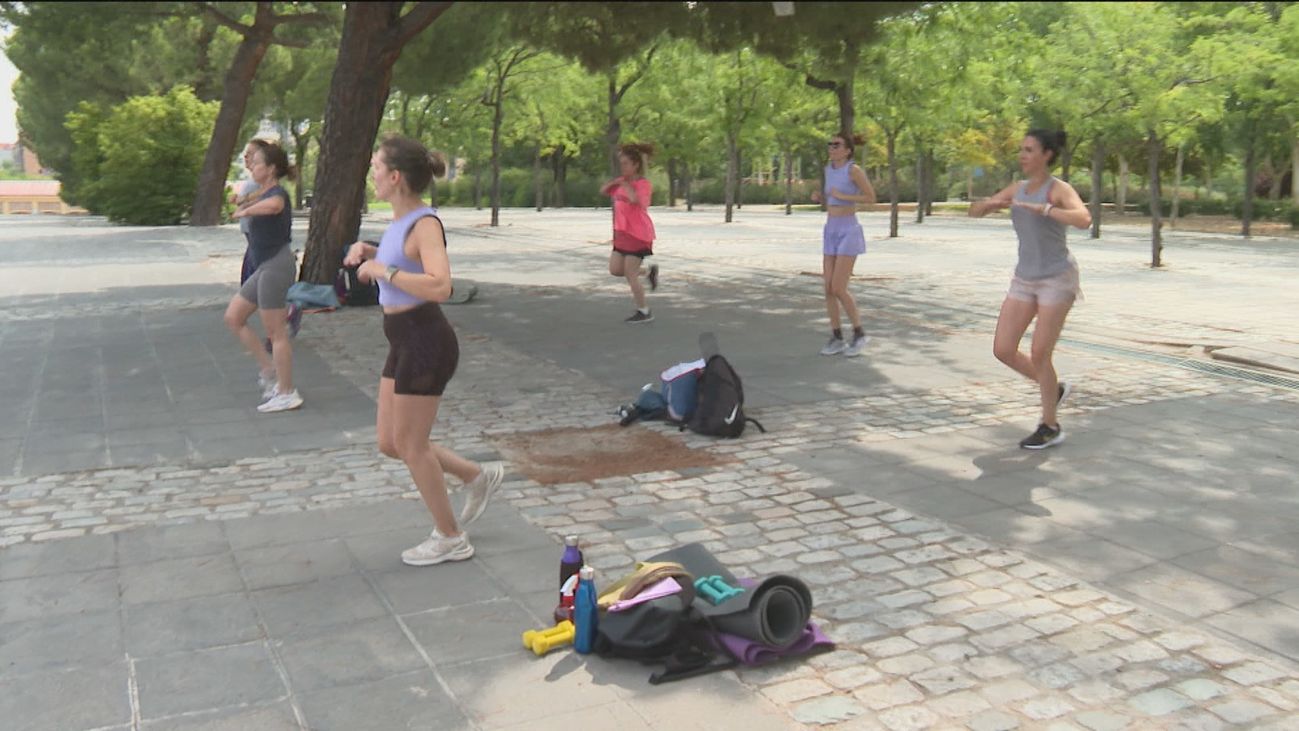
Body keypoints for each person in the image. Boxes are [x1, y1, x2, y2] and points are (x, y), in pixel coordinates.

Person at [343, 135, 504, 566]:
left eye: (376, 167)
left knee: (411, 444)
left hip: (426, 339)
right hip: (401, 338)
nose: (371, 173)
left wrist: (384, 269)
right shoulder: (398, 222)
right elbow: (402, 261)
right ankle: (476, 474)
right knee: (389, 442)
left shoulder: (425, 224)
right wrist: (371, 253)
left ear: (395, 177)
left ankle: (450, 537)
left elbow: (440, 284)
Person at [968, 129, 1091, 449]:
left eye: (1029, 150)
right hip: (1024, 277)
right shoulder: (1019, 188)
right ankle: (1053, 388)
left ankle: (1050, 425)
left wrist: (1047, 210)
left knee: (1039, 353)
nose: (1022, 155)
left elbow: (1083, 218)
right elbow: (978, 209)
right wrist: (986, 205)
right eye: (1021, 150)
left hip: (1057, 278)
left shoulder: (1058, 189)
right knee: (1003, 349)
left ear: (1046, 155)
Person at [225, 142, 303, 413]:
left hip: (277, 266)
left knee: (276, 332)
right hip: (264, 267)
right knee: (234, 317)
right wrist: (241, 199)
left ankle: (286, 391)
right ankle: (268, 369)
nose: (252, 165)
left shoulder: (277, 193)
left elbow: (274, 206)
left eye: (257, 162)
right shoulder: (260, 192)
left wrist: (246, 211)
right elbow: (250, 197)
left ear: (270, 169)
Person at [810, 132, 876, 357]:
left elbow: (870, 197)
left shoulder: (853, 170)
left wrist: (844, 197)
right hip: (831, 228)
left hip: (849, 229)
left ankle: (860, 334)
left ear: (847, 150)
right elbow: (832, 198)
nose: (832, 148)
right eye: (830, 144)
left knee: (839, 287)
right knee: (828, 288)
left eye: (836, 145)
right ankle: (836, 337)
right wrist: (822, 198)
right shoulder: (829, 170)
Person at [601, 142, 659, 323]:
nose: (623, 167)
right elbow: (603, 191)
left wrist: (627, 186)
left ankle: (644, 311)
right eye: (621, 163)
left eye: (626, 163)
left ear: (635, 165)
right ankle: (648, 271)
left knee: (629, 274)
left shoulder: (643, 184)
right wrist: (614, 183)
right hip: (622, 234)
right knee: (615, 269)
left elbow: (637, 202)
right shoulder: (621, 183)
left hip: (638, 235)